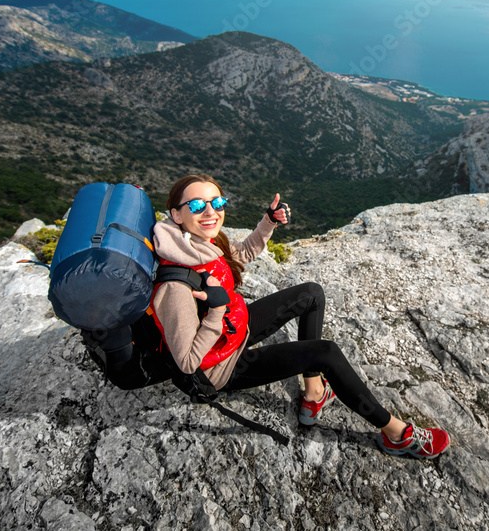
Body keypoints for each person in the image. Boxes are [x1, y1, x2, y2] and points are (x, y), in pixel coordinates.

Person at [149, 173, 451, 459]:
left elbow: (239, 254)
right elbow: (187, 363)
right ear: (176, 214)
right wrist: (216, 310)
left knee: (311, 294)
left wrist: (268, 222)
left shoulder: (199, 242)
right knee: (326, 353)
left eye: (217, 202)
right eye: (198, 205)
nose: (211, 211)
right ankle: (396, 434)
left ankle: (314, 391)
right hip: (220, 367)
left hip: (233, 330)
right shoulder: (175, 286)